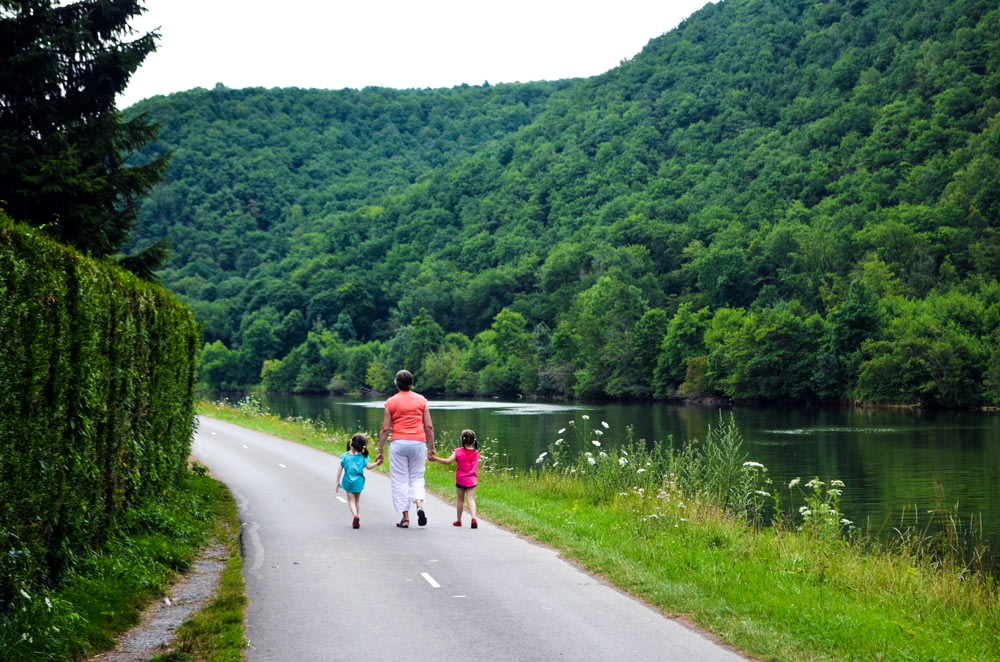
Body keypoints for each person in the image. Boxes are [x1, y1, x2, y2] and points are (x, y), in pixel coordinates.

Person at [377, 370, 435, 528]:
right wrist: (431, 447)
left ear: (396, 383)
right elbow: (428, 426)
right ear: (411, 383)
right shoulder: (421, 400)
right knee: (417, 477)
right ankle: (420, 506)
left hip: (399, 443)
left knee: (400, 480)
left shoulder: (390, 402)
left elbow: (385, 429)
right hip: (418, 443)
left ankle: (405, 518)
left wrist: (380, 449)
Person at [430, 429, 480, 528]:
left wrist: (435, 458)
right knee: (471, 500)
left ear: (462, 439)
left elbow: (448, 461)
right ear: (474, 441)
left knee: (460, 501)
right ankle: (473, 518)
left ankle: (459, 521)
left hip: (461, 479)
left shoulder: (458, 451)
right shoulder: (476, 453)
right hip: (472, 479)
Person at [335, 433, 382, 529]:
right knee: (357, 501)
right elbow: (368, 467)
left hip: (348, 481)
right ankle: (356, 517)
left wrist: (337, 481)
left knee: (351, 501)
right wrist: (377, 463)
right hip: (359, 481)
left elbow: (340, 469)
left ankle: (355, 516)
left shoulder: (345, 456)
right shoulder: (363, 457)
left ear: (352, 444)